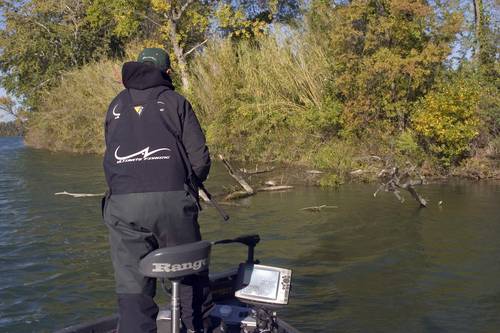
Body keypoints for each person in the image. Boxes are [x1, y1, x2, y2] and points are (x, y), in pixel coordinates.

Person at [102, 48, 213, 333]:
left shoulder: (114, 106)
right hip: (173, 200)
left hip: (122, 205)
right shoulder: (176, 102)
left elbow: (111, 156)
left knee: (131, 284)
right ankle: (195, 327)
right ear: (167, 72)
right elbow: (199, 159)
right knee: (189, 272)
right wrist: (188, 187)